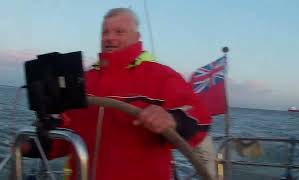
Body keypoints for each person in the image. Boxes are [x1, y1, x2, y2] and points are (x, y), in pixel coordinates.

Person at [23, 8, 211, 180]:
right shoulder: (85, 80)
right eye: (105, 32)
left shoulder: (161, 76)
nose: (110, 38)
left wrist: (173, 119)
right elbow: (66, 137)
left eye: (119, 32)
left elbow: (200, 119)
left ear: (137, 37)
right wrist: (32, 146)